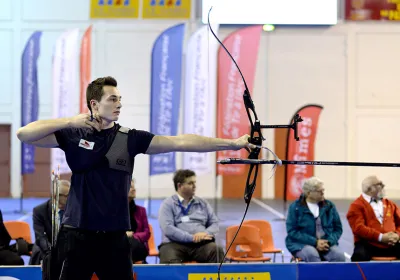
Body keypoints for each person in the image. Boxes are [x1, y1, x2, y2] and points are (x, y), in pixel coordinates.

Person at [16, 76, 253, 280]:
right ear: (94, 104)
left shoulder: (130, 139)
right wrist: (68, 121)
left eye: (119, 99)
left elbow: (180, 141)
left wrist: (233, 144)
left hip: (115, 239)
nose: (119, 104)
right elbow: (24, 134)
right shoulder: (73, 135)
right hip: (76, 236)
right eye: (112, 99)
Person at [158, 169, 224, 264]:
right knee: (168, 256)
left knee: (216, 251)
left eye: (195, 182)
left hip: (200, 245)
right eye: (190, 183)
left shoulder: (202, 203)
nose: (194, 186)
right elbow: (167, 228)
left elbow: (215, 224)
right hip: (174, 244)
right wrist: (191, 237)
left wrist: (204, 233)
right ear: (180, 186)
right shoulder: (168, 204)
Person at [285, 177, 345, 262]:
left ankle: (334, 276)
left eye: (323, 190)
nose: (323, 193)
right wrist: (315, 242)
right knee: (312, 255)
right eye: (319, 191)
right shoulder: (295, 208)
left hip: (326, 243)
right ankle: (317, 276)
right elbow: (292, 231)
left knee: (339, 256)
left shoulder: (329, 206)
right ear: (309, 193)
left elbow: (338, 229)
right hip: (301, 244)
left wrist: (328, 242)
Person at [347, 175, 400, 261]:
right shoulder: (356, 206)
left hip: (391, 243)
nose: (383, 186)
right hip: (368, 244)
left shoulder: (390, 204)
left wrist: (397, 235)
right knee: (359, 256)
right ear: (370, 189)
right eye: (380, 184)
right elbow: (359, 228)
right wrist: (381, 237)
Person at [29, 180, 70, 265]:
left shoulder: (75, 209)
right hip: (47, 247)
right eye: (67, 196)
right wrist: (51, 251)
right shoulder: (39, 211)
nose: (70, 198)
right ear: (56, 196)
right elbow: (40, 237)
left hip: (68, 246)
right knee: (42, 254)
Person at [127, 179, 150, 263]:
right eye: (130, 187)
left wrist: (133, 236)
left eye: (134, 187)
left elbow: (147, 232)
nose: (134, 189)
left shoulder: (141, 210)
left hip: (138, 244)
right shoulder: (116, 211)